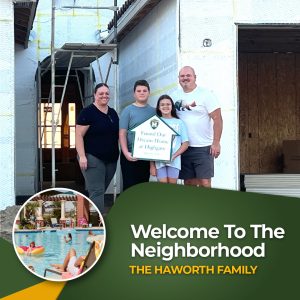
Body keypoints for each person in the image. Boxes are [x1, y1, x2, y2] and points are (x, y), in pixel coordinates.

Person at [173, 66, 223, 188]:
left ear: (195, 77)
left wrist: (216, 143)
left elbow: (218, 119)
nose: (185, 78)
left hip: (203, 147)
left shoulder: (206, 94)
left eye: (188, 75)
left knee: (204, 182)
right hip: (184, 147)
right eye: (182, 76)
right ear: (179, 78)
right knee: (189, 182)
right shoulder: (173, 96)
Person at [76, 83, 119, 213]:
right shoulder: (87, 112)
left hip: (111, 159)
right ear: (95, 95)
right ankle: (97, 223)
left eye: (106, 93)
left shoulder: (112, 113)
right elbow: (78, 135)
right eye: (101, 93)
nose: (104, 96)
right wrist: (82, 156)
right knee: (97, 191)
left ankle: (84, 214)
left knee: (99, 190)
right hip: (92, 157)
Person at [119, 79, 156, 191]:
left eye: (144, 90)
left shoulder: (154, 111)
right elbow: (122, 133)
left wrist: (152, 163)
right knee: (129, 188)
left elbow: (156, 136)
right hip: (130, 156)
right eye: (139, 90)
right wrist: (126, 153)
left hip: (146, 157)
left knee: (142, 189)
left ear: (149, 93)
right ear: (134, 93)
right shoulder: (128, 110)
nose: (142, 93)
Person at [150, 95, 189, 184]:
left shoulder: (179, 123)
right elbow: (151, 145)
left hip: (174, 162)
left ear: (172, 106)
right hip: (159, 163)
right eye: (162, 104)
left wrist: (174, 156)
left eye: (168, 104)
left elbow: (185, 143)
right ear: (159, 107)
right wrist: (152, 166)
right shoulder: (155, 122)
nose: (165, 106)